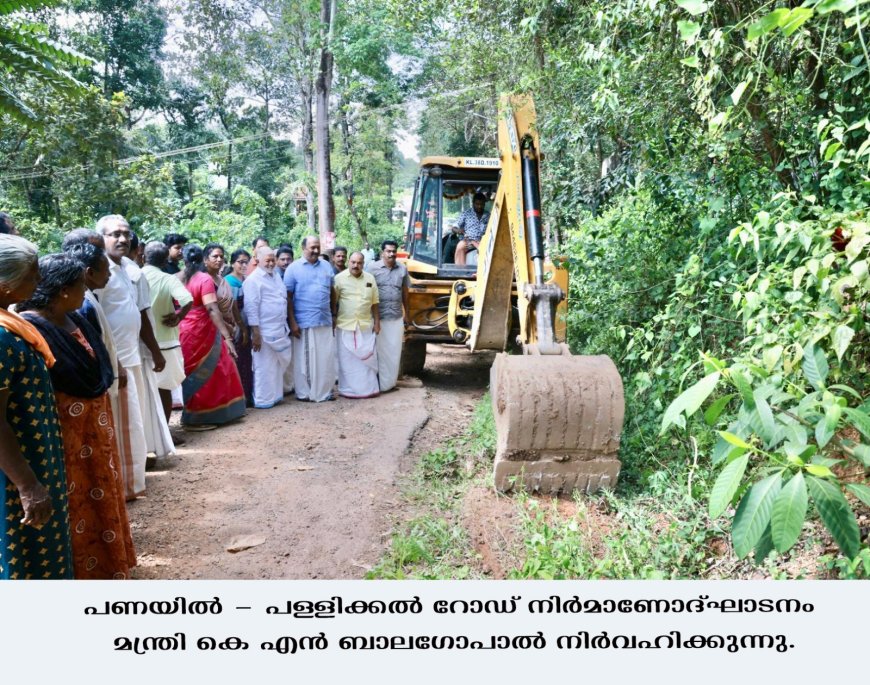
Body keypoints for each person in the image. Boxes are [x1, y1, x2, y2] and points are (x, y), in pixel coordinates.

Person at [18, 254, 136, 579]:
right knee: (76, 504)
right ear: (63, 290)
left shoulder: (75, 317)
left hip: (95, 431)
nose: (86, 291)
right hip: (66, 441)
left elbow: (98, 362)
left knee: (102, 494)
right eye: (81, 286)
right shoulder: (30, 329)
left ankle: (111, 565)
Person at [0, 234, 74, 579]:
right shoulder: (1, 338)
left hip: (34, 465)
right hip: (17, 478)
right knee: (27, 563)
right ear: (5, 284)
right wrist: (28, 486)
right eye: (32, 273)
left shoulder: (11, 326)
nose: (39, 281)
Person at [93, 215, 166, 498]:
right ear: (102, 239)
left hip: (133, 357)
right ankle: (122, 486)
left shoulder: (130, 268)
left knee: (133, 423)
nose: (122, 239)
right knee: (120, 425)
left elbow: (141, 314)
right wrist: (114, 362)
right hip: (114, 362)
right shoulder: (98, 271)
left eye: (126, 234)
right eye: (115, 234)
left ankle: (133, 481)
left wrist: (154, 350)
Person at [178, 245, 246, 427]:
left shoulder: (176, 278)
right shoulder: (204, 279)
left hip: (184, 330)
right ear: (202, 259)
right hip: (204, 330)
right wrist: (228, 338)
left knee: (193, 371)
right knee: (214, 370)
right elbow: (211, 308)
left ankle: (194, 415)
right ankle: (203, 417)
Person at [142, 241, 193, 424]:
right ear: (165, 261)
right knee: (164, 390)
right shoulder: (168, 279)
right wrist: (178, 317)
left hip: (140, 343)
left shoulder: (133, 277)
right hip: (166, 343)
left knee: (144, 392)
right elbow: (187, 300)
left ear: (142, 257)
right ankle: (165, 435)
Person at [284, 235, 336, 402]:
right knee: (305, 360)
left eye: (317, 247)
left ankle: (324, 392)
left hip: (325, 319)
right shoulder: (293, 268)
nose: (315, 250)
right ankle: (305, 393)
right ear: (303, 248)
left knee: (325, 358)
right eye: (312, 247)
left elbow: (332, 292)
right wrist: (292, 322)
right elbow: (288, 297)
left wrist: (333, 314)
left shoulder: (327, 266)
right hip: (304, 322)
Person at [243, 247, 292, 409]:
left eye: (273, 260)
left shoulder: (276, 275)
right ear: (258, 260)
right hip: (263, 332)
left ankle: (276, 396)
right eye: (267, 260)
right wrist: (256, 332)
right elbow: (251, 307)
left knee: (277, 366)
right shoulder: (253, 280)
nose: (271, 263)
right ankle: (263, 400)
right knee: (263, 367)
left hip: (279, 329)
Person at [333, 251, 380, 399]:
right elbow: (333, 302)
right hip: (345, 325)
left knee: (365, 360)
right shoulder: (339, 279)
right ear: (348, 262)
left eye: (359, 263)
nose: (356, 265)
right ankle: (347, 389)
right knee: (347, 360)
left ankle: (367, 389)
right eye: (353, 262)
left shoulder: (370, 278)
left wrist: (377, 322)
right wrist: (333, 319)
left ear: (363, 263)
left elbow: (375, 303)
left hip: (365, 325)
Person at [367, 239, 410, 392]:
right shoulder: (371, 269)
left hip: (396, 316)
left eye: (393, 251)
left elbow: (405, 292)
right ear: (382, 253)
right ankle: (375, 384)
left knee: (393, 351)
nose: (391, 254)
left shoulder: (402, 269)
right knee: (378, 350)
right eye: (388, 251)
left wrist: (407, 314)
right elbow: (367, 293)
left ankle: (389, 384)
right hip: (378, 317)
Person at [225, 248, 254, 406]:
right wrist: (240, 327)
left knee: (246, 360)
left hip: (247, 323)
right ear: (232, 263)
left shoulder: (246, 279)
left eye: (246, 262)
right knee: (238, 359)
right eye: (240, 262)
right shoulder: (230, 281)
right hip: (237, 325)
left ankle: (247, 396)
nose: (243, 265)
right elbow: (233, 307)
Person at [454, 192, 490, 265]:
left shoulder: (488, 215)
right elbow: (454, 227)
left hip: (483, 241)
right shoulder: (466, 213)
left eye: (481, 204)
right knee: (460, 246)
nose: (479, 206)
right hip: (468, 241)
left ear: (484, 204)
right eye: (477, 204)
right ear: (473, 203)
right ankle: (460, 269)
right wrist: (458, 230)